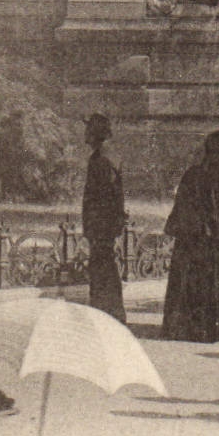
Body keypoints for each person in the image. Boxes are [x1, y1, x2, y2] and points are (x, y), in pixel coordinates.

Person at [161, 130, 219, 343]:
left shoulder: (192, 173)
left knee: (188, 282)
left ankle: (184, 327)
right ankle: (214, 328)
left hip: (190, 239)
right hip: (213, 240)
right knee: (214, 282)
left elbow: (180, 207)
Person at [81, 113, 127, 324]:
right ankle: (109, 315)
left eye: (88, 130)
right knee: (105, 269)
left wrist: (97, 226)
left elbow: (106, 197)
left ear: (95, 133)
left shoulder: (101, 160)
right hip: (104, 226)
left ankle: (106, 316)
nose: (85, 135)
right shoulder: (107, 156)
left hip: (101, 227)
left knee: (102, 271)